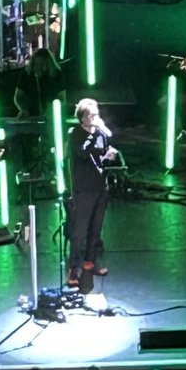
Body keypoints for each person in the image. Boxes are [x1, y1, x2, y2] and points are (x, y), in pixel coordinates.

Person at [66, 98, 118, 286]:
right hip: (83, 189)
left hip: (99, 188)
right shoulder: (75, 134)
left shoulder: (100, 134)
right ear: (82, 117)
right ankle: (73, 269)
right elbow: (81, 153)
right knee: (79, 231)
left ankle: (90, 263)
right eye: (91, 115)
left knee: (95, 231)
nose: (96, 118)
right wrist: (92, 135)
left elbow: (100, 158)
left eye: (97, 114)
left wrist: (108, 155)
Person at [13, 47, 66, 117]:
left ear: (48, 65)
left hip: (51, 116)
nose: (38, 68)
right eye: (36, 65)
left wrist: (52, 110)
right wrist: (23, 110)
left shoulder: (57, 75)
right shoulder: (26, 75)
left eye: (42, 65)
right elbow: (18, 97)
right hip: (30, 116)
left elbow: (62, 97)